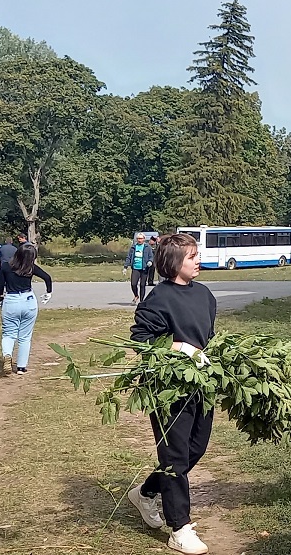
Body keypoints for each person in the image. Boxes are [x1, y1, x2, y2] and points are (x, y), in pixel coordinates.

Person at [126, 232, 217, 555]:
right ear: (174, 263)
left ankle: (146, 493)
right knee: (174, 456)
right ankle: (179, 528)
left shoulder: (205, 295)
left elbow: (208, 337)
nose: (198, 261)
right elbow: (141, 340)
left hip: (201, 386)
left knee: (196, 449)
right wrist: (178, 347)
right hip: (168, 390)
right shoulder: (158, 299)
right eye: (192, 257)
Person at [0, 243, 52, 377]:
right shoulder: (31, 268)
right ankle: (21, 367)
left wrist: (0, 299)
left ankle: (7, 355)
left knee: (9, 333)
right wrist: (48, 292)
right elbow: (47, 277)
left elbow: (0, 285)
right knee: (25, 337)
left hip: (11, 300)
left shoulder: (5, 266)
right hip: (28, 301)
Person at [129, 234, 155, 304]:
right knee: (133, 284)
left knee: (142, 285)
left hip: (144, 268)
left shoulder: (147, 247)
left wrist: (150, 261)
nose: (139, 240)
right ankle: (136, 295)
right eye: (138, 238)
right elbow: (129, 257)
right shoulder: (133, 247)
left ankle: (141, 300)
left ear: (144, 239)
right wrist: (125, 267)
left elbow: (151, 256)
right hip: (135, 267)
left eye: (141, 238)